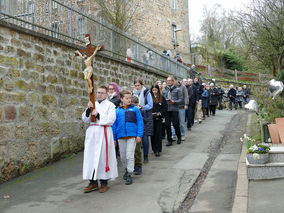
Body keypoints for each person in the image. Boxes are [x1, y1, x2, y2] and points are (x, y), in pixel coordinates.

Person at [82, 85, 117, 193]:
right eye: (98, 92)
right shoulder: (93, 104)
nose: (99, 94)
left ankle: (103, 182)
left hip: (104, 133)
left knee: (103, 157)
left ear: (106, 94)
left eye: (102, 93)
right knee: (91, 157)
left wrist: (98, 115)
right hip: (92, 133)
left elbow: (111, 119)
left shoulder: (110, 105)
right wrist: (89, 109)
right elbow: (85, 118)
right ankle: (92, 182)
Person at [112, 90, 144, 185]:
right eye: (126, 98)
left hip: (132, 136)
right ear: (121, 99)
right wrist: (114, 138)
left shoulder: (135, 109)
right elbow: (114, 125)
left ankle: (129, 173)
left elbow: (140, 122)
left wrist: (139, 135)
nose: (129, 100)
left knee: (129, 155)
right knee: (122, 156)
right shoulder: (117, 111)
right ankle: (126, 169)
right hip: (121, 137)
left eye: (130, 98)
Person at [132, 80, 153, 163]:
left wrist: (141, 107)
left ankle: (145, 156)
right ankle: (136, 157)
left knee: (144, 137)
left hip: (145, 117)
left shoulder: (146, 93)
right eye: (135, 85)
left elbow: (150, 105)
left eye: (138, 85)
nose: (137, 87)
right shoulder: (133, 93)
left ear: (142, 85)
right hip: (134, 117)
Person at [162, 76, 183, 146]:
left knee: (175, 124)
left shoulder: (177, 89)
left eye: (170, 80)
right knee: (167, 125)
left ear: (173, 81)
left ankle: (179, 137)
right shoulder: (164, 90)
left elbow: (181, 99)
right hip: (167, 110)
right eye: (167, 80)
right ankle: (169, 140)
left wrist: (175, 102)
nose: (168, 82)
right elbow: (162, 99)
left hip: (174, 109)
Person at [150, 85, 167, 157]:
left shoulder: (162, 98)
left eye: (155, 90)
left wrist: (160, 113)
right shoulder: (149, 97)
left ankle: (158, 149)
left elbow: (165, 107)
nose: (154, 92)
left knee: (158, 134)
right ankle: (154, 148)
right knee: (152, 134)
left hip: (159, 118)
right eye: (153, 90)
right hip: (151, 118)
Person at [171, 76, 188, 141]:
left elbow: (186, 96)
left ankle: (182, 134)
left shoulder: (183, 87)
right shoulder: (171, 87)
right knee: (173, 122)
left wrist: (186, 104)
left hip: (181, 107)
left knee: (181, 122)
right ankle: (173, 135)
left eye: (173, 81)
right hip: (174, 107)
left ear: (176, 80)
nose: (172, 82)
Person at [131, 96, 143, 175]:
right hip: (130, 133)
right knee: (131, 151)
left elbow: (141, 123)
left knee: (137, 150)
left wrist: (139, 134)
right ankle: (132, 166)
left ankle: (138, 165)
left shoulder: (139, 111)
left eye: (136, 104)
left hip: (137, 133)